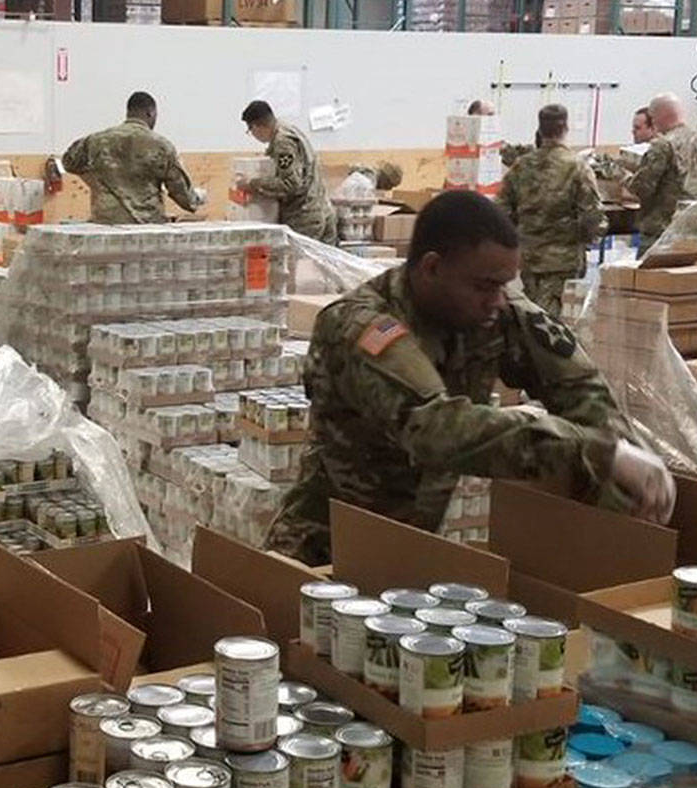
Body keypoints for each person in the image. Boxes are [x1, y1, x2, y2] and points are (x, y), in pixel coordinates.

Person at [265, 190, 674, 566]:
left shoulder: (494, 309)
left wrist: (633, 480)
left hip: (410, 548)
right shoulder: (362, 327)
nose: (498, 300)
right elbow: (437, 429)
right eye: (484, 285)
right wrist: (599, 453)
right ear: (431, 267)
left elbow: (580, 390)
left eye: (504, 284)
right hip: (325, 550)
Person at [496, 104, 606, 317]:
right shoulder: (577, 167)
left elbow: (500, 212)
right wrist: (588, 239)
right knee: (554, 324)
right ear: (566, 128)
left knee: (530, 314)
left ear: (540, 129)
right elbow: (592, 217)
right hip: (563, 261)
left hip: (528, 258)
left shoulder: (521, 166)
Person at [62, 92, 204, 224]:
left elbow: (68, 162)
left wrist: (95, 178)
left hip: (106, 224)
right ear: (150, 113)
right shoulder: (161, 146)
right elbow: (182, 194)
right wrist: (197, 199)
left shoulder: (96, 141)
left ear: (128, 113)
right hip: (147, 227)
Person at [624, 92, 697, 251]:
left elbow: (642, 188)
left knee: (651, 276)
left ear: (660, 115)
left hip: (661, 231)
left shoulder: (663, 145)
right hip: (691, 228)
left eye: (653, 118)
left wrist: (622, 176)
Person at [238, 100, 337, 244]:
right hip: (321, 210)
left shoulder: (282, 142)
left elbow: (291, 183)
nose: (252, 135)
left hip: (304, 217)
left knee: (300, 265)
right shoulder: (290, 130)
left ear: (257, 126)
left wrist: (252, 184)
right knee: (323, 264)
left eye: (250, 131)